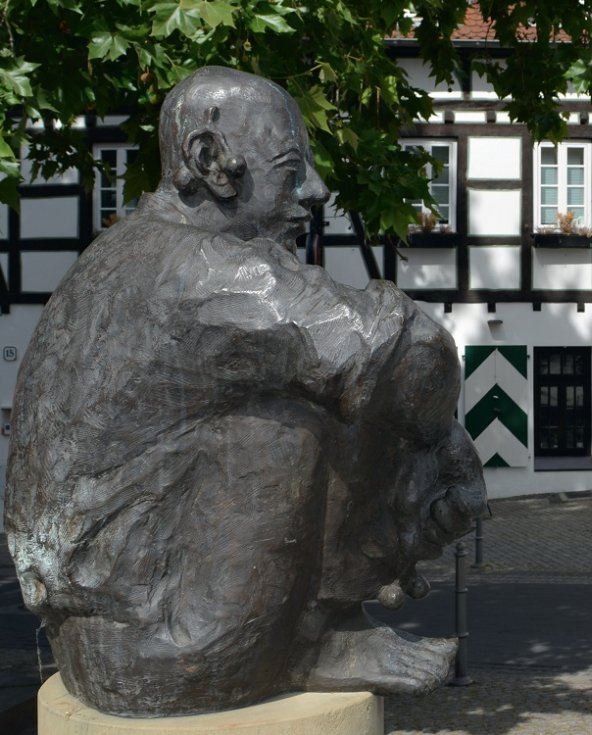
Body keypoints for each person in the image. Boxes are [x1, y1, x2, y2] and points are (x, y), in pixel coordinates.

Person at [4, 66, 486, 716]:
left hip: (97, 646)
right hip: (177, 651)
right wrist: (446, 456)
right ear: (208, 159)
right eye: (291, 166)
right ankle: (305, 648)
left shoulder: (117, 255)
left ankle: (316, 629)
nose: (314, 190)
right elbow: (417, 352)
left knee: (321, 378)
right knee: (297, 404)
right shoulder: (199, 274)